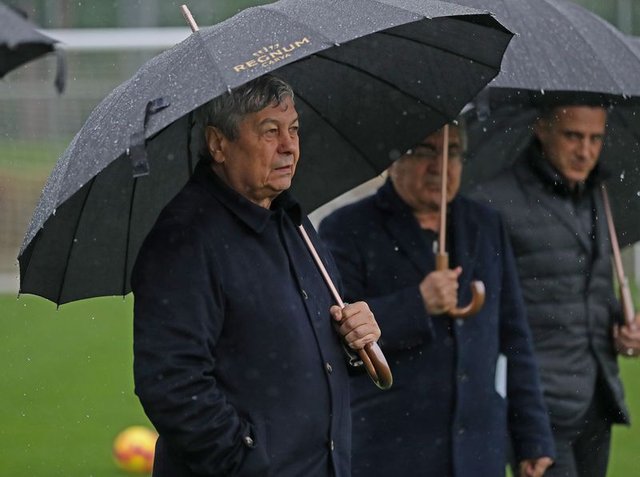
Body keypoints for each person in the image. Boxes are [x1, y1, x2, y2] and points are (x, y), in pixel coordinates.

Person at [131, 74, 382, 477]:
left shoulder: (292, 222)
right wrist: (245, 460)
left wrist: (351, 337)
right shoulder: (185, 240)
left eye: (293, 129)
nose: (289, 146)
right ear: (218, 144)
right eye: (270, 131)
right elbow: (171, 382)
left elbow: (306, 340)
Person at [319, 122, 555, 477]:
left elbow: (515, 337)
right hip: (392, 453)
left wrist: (532, 436)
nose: (440, 166)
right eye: (425, 151)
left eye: (452, 152)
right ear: (394, 160)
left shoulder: (485, 224)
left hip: (479, 453)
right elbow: (337, 339)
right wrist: (417, 303)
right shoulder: (346, 228)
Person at [471, 99, 640, 477]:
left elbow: (591, 291)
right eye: (573, 136)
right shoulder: (494, 202)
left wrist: (623, 327)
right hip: (538, 407)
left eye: (596, 139)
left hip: (597, 399)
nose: (586, 151)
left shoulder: (598, 194)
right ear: (542, 128)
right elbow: (484, 313)